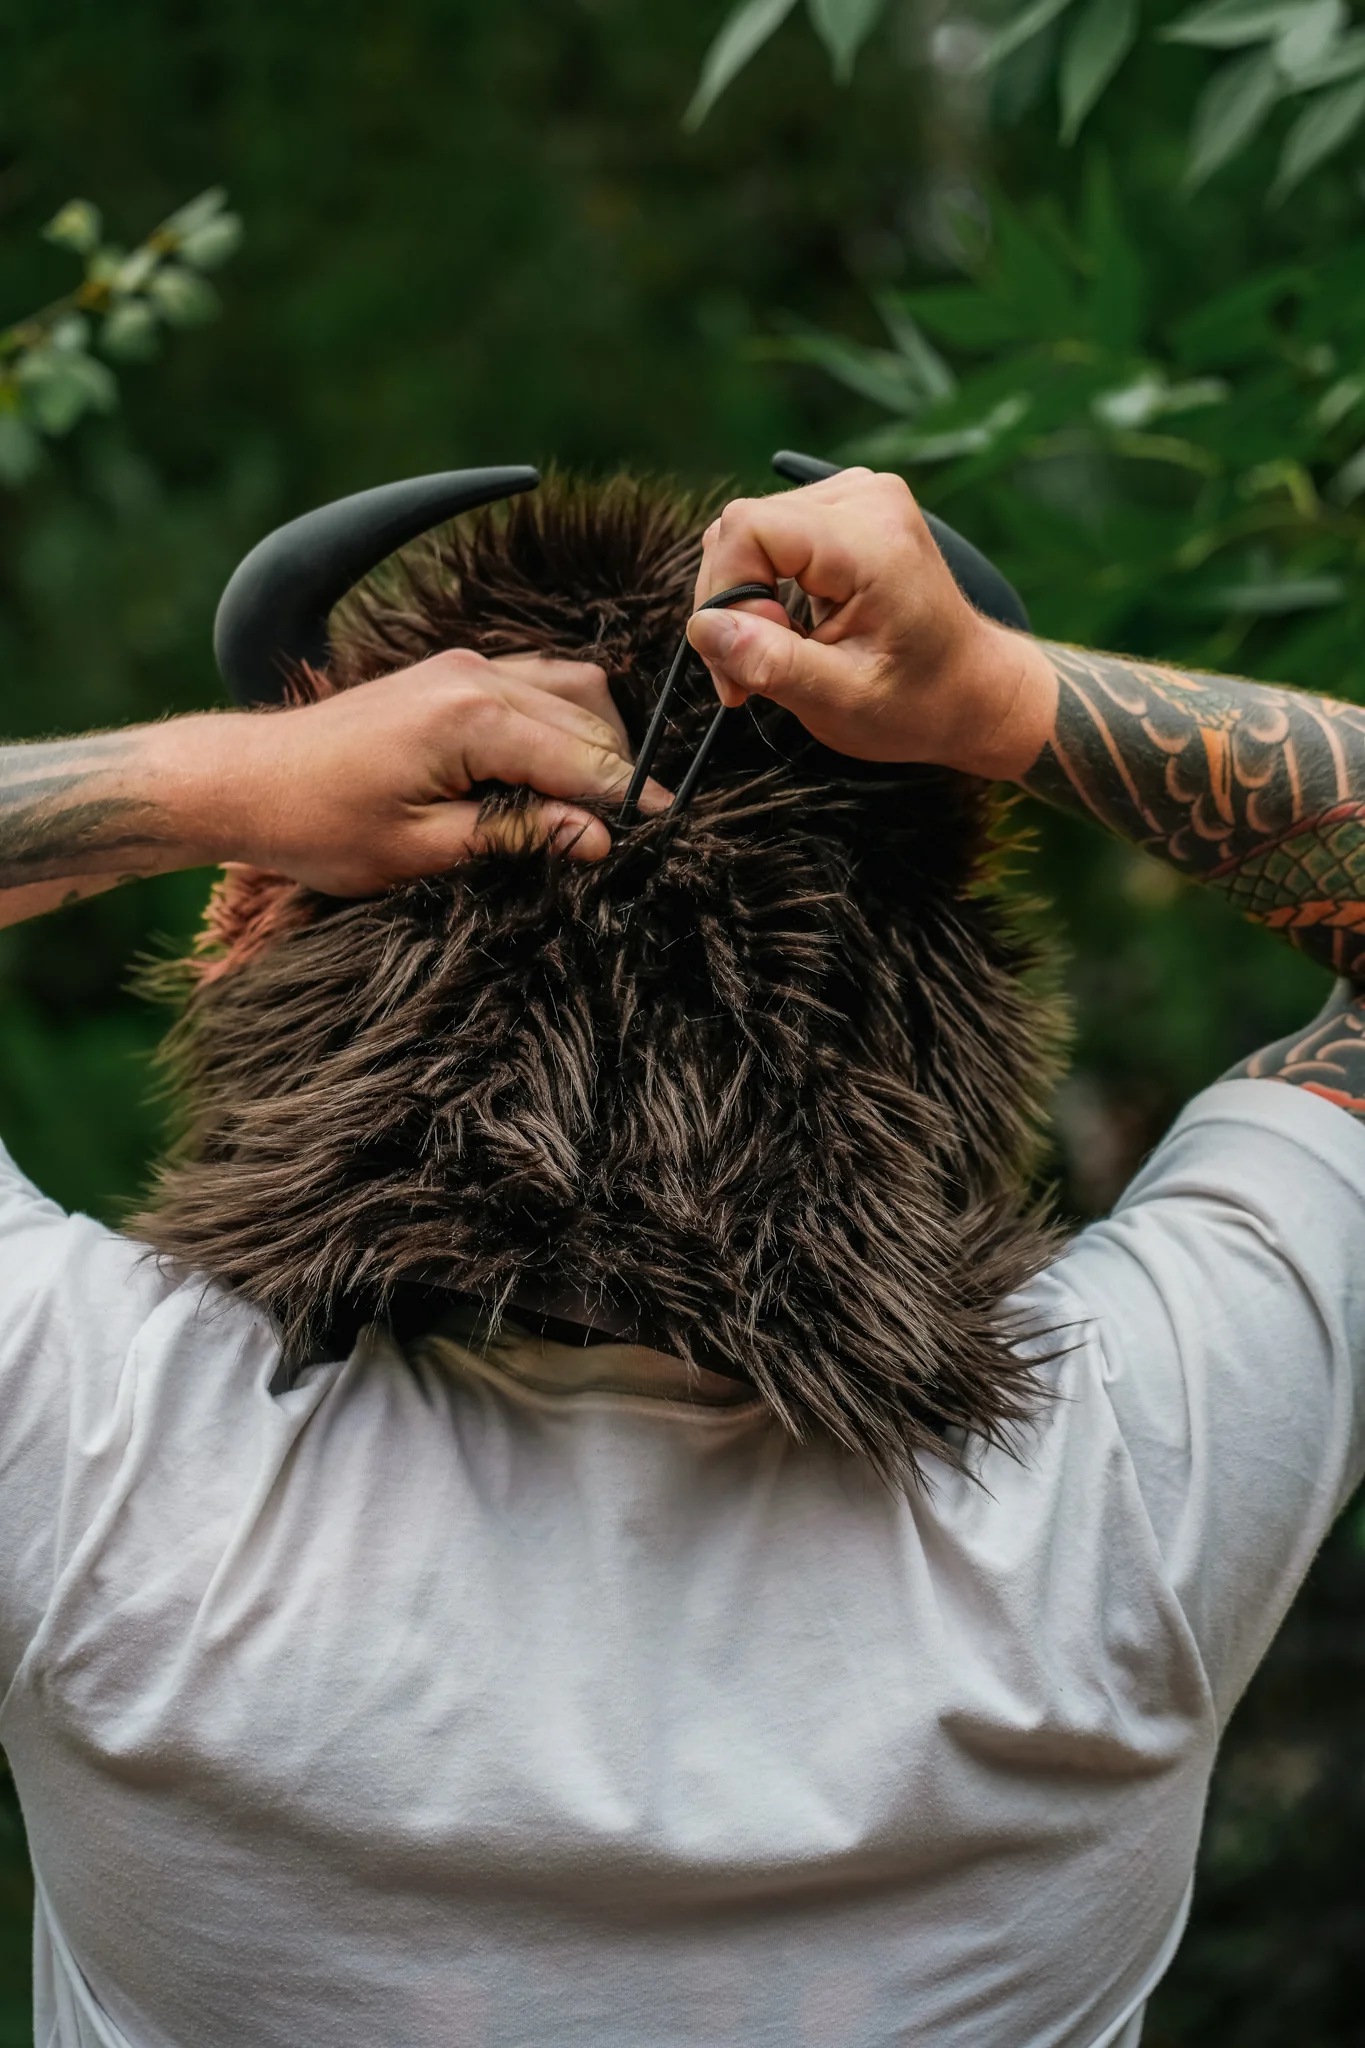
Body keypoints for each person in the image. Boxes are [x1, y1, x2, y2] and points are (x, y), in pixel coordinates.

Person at [0, 464, 1361, 2048]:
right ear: (921, 1000)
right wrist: (993, 700)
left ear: (275, 947)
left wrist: (231, 779)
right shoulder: (1114, 1491)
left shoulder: (105, 1467)